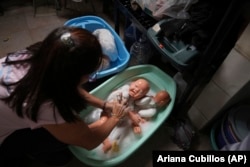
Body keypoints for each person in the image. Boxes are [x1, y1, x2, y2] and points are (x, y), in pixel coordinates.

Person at [0, 26, 128, 167]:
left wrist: (104, 105)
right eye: (88, 74)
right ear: (75, 76)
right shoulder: (44, 104)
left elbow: (68, 87)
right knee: (60, 149)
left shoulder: (38, 55)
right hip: (5, 141)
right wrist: (115, 117)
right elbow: (89, 141)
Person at [88, 78, 150, 153]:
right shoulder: (123, 92)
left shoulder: (133, 103)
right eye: (136, 86)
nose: (136, 90)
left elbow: (132, 115)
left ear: (142, 97)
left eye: (140, 92)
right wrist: (131, 115)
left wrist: (135, 125)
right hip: (107, 113)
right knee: (102, 122)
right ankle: (87, 129)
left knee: (111, 133)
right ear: (132, 83)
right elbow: (119, 105)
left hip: (116, 120)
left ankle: (106, 142)